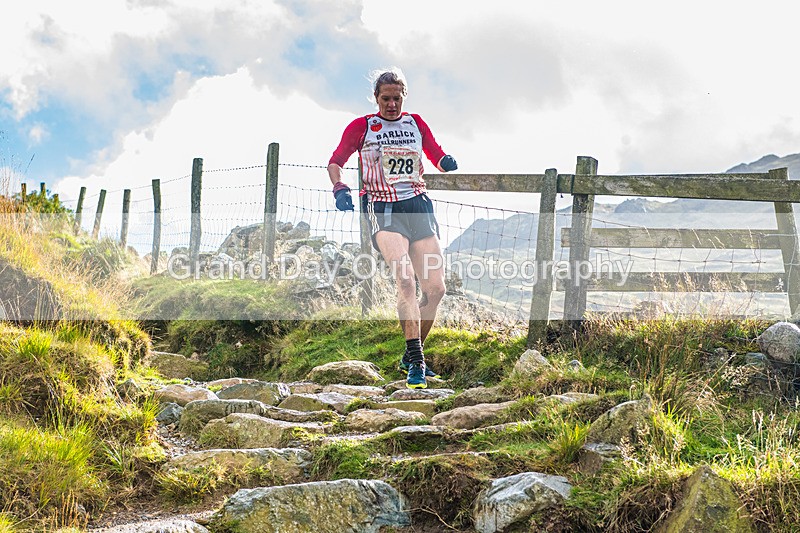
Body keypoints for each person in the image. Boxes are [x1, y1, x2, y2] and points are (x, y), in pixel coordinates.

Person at [327, 68, 458, 389]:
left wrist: (447, 162)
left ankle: (409, 355)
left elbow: (435, 154)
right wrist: (339, 187)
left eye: (397, 98)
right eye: (385, 99)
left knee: (436, 289)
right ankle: (416, 362)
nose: (391, 105)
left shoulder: (415, 123)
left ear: (404, 97)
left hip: (417, 207)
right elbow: (336, 160)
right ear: (376, 98)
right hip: (383, 210)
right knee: (405, 282)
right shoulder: (363, 127)